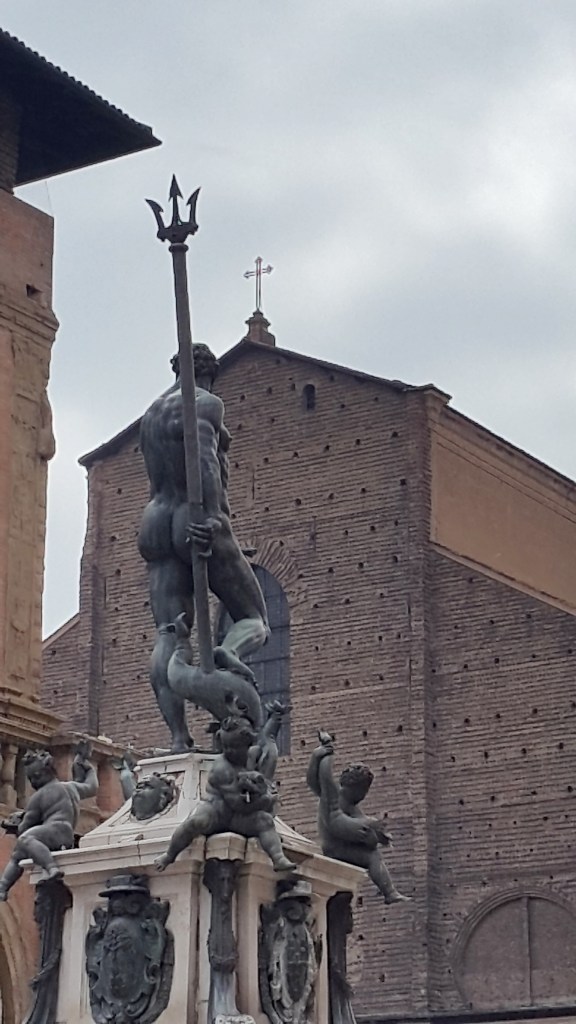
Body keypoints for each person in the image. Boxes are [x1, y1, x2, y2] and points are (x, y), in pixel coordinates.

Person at [138, 345, 269, 752]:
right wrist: (212, 520)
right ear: (212, 374)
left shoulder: (151, 414)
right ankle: (227, 654)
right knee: (256, 619)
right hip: (194, 516)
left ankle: (179, 739)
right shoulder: (206, 403)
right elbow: (205, 461)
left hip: (155, 520)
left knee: (169, 632)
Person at [154, 715, 295, 873]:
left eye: (235, 747)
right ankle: (169, 855)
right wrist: (266, 801)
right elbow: (238, 804)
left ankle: (278, 858)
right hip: (216, 811)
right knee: (195, 822)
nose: (230, 751)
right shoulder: (222, 768)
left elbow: (264, 769)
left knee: (265, 821)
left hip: (236, 818)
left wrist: (263, 791)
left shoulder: (251, 757)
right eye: (227, 747)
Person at [307, 731, 410, 905]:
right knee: (371, 857)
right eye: (365, 791)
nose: (364, 795)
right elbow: (335, 823)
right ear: (357, 788)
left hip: (341, 846)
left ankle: (389, 891)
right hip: (333, 848)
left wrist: (376, 834)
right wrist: (323, 753)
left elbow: (364, 829)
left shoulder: (352, 807)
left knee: (372, 853)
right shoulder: (333, 796)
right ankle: (389, 892)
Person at [0, 747, 98, 900]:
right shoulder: (70, 787)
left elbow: (26, 826)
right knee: (18, 854)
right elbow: (92, 787)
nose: (32, 782)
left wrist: (15, 825)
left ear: (44, 774)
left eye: (34, 777)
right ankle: (3, 887)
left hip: (54, 831)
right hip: (66, 834)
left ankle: (51, 868)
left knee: (25, 840)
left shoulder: (39, 796)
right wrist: (89, 768)